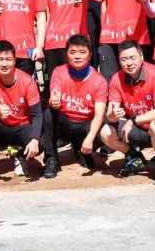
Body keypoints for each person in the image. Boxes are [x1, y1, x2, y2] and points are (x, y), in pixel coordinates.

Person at [0, 41, 47, 187]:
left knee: (40, 141)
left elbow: (37, 114)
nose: (4, 64)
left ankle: (19, 155)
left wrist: (34, 140)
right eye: (0, 59)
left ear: (14, 61)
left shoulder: (27, 81)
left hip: (21, 126)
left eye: (8, 59)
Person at [100, 40, 155, 179]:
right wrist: (114, 113)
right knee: (106, 132)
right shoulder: (116, 78)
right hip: (134, 130)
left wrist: (133, 120)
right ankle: (134, 156)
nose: (129, 63)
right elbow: (110, 115)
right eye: (124, 59)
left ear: (142, 56)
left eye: (133, 58)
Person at [44, 34, 108, 176]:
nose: (77, 56)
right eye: (73, 52)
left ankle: (83, 151)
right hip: (65, 124)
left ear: (90, 55)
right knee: (48, 114)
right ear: (67, 55)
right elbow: (54, 96)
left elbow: (99, 115)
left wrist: (90, 139)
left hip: (85, 125)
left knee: (104, 127)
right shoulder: (59, 72)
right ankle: (51, 158)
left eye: (82, 52)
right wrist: (53, 102)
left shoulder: (100, 81)